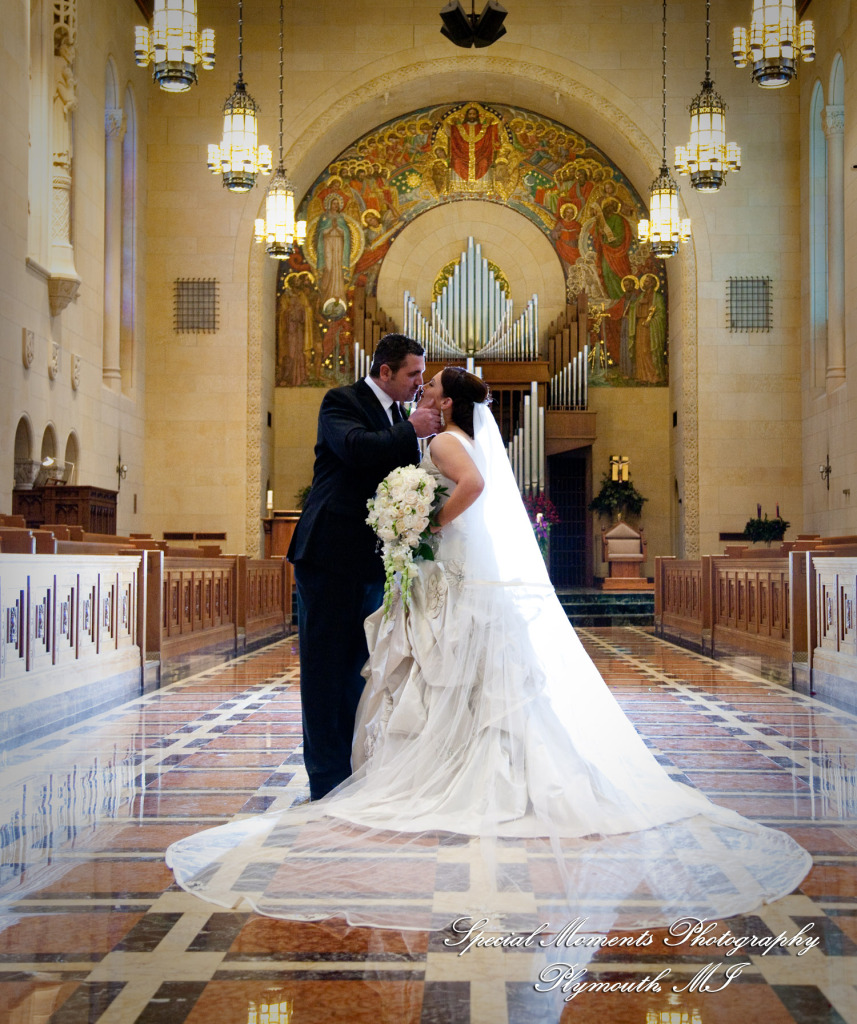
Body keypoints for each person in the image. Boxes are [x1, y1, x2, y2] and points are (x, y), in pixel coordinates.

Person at [168, 368, 810, 932]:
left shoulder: (445, 441)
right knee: (461, 678)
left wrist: (426, 522)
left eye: (431, 385)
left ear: (447, 402)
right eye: (418, 378)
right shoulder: (447, 434)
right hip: (448, 572)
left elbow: (470, 486)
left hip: (452, 572)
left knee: (449, 674)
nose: (424, 389)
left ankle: (454, 769)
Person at [286, 334, 440, 800]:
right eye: (413, 373)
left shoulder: (397, 415)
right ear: (385, 371)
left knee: (359, 667)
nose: (418, 383)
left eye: (422, 374)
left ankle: (350, 773)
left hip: (370, 561)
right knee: (324, 671)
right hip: (329, 555)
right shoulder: (342, 401)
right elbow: (355, 448)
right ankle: (325, 780)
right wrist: (411, 430)